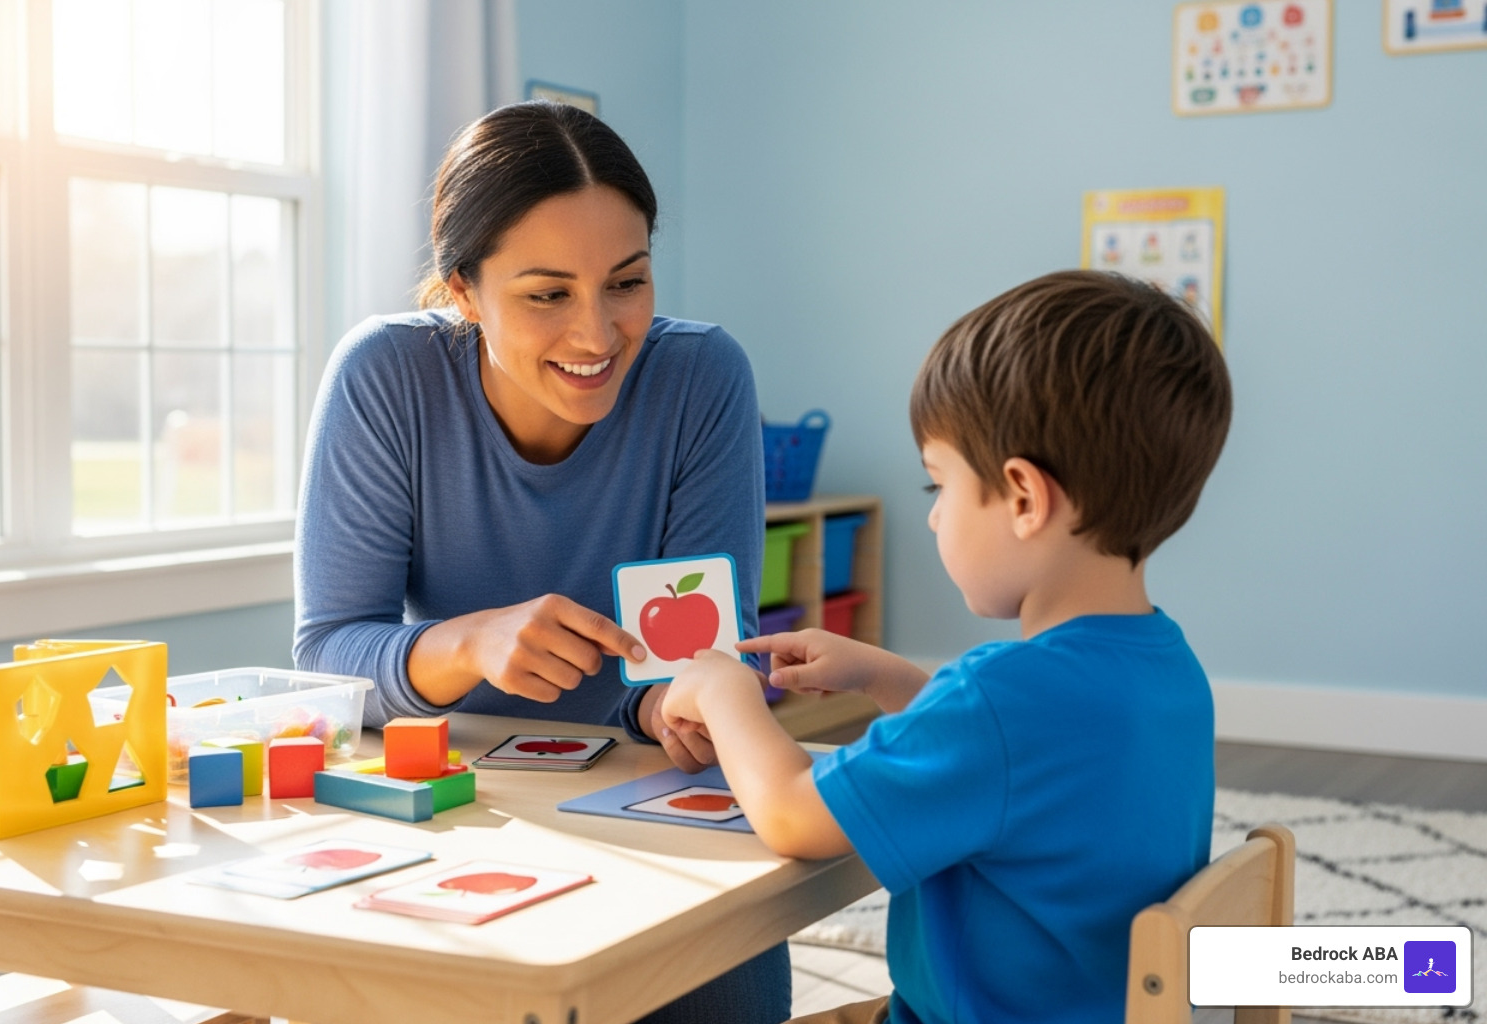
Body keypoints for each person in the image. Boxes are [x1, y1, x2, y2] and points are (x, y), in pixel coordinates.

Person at [293, 101, 789, 1024]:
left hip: (647, 808)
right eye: (547, 293)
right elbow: (326, 653)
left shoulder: (701, 376)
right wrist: (471, 642)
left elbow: (700, 662)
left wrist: (674, 701)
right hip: (455, 815)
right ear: (463, 290)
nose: (598, 336)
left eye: (627, 282)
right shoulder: (384, 378)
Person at [661, 270, 1234, 1024]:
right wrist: (883, 675)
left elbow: (797, 818)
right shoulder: (1168, 670)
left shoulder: (999, 696)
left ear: (1024, 498)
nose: (934, 520)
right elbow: (1028, 766)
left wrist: (722, 689)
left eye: (940, 488)